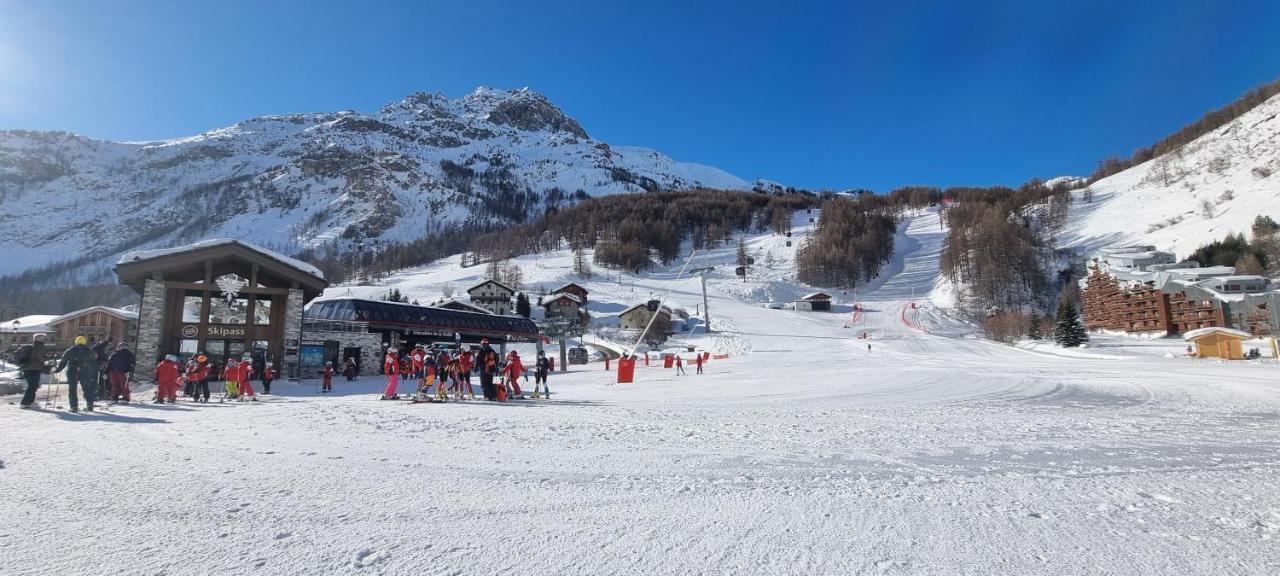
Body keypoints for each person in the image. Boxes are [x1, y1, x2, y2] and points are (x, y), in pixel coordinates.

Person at [56, 336, 99, 412]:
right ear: (84, 342)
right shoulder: (89, 351)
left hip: (72, 371)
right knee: (87, 389)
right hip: (85, 371)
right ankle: (90, 405)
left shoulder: (70, 351)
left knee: (72, 389)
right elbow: (93, 362)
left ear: (76, 342)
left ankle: (74, 407)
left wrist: (57, 370)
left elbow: (63, 361)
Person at [14, 333, 49, 409]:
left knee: (32, 386)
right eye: (43, 338)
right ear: (39, 339)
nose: (45, 340)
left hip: (26, 369)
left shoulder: (31, 346)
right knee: (33, 386)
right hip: (34, 369)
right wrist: (47, 359)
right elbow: (40, 358)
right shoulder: (40, 347)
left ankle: (30, 402)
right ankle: (25, 402)